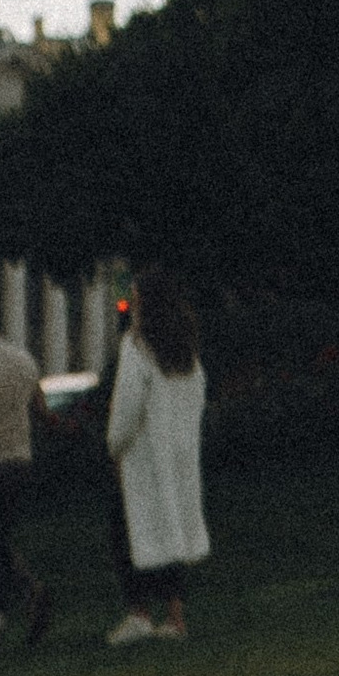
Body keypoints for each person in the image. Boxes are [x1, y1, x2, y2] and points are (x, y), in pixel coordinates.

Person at [105, 267, 208, 647]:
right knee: (171, 528)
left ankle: (139, 612)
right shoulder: (186, 351)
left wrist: (115, 444)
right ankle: (175, 616)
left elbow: (128, 405)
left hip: (143, 455)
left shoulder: (137, 346)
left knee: (127, 529)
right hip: (177, 453)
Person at [0, 290, 51, 662]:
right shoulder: (23, 359)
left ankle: (0, 609)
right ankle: (29, 592)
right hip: (21, 461)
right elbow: (41, 410)